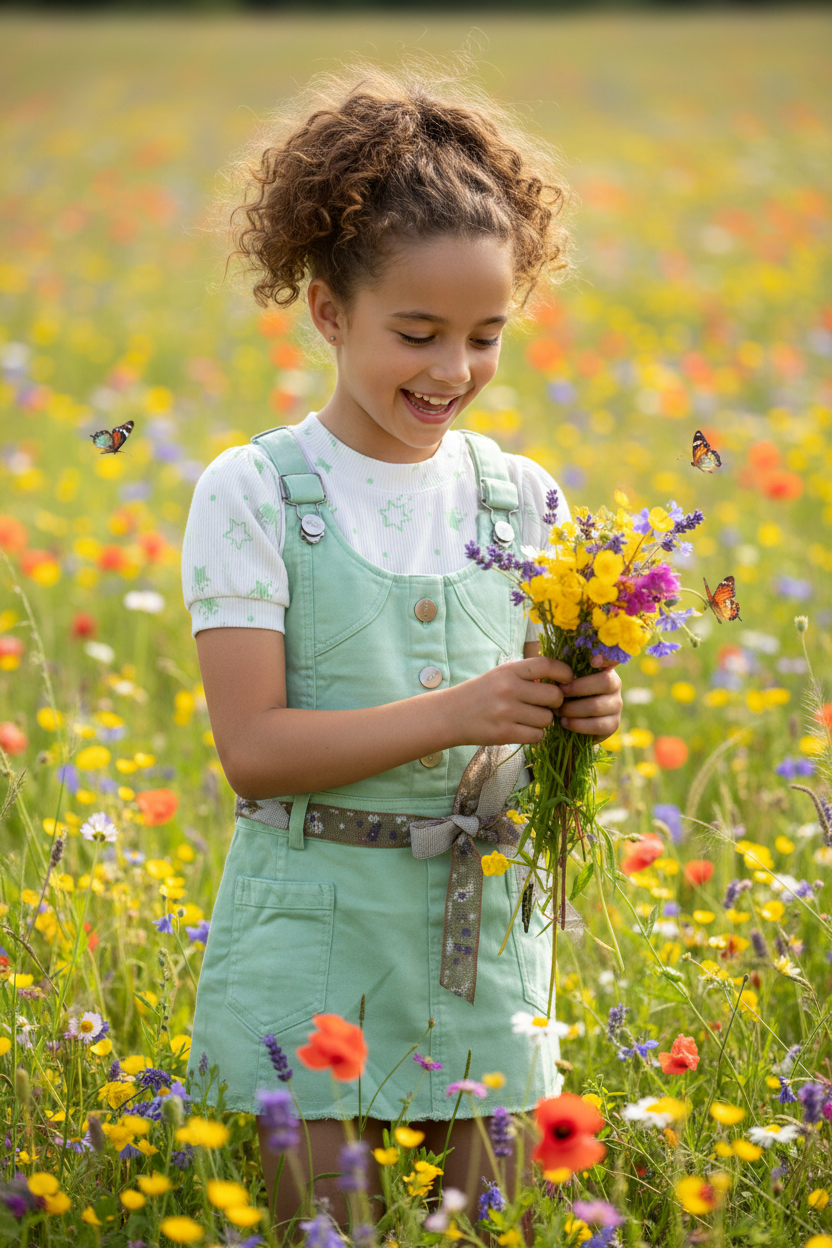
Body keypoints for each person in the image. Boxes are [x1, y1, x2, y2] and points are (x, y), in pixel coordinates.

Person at [181, 60, 623, 1229]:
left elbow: (529, 711)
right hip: (312, 928)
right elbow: (255, 752)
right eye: (417, 333)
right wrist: (461, 710)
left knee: (480, 1226)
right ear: (329, 312)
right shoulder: (258, 491)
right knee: (330, 1223)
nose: (452, 373)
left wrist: (585, 713)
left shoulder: (523, 497)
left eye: (485, 337)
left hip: (471, 937)